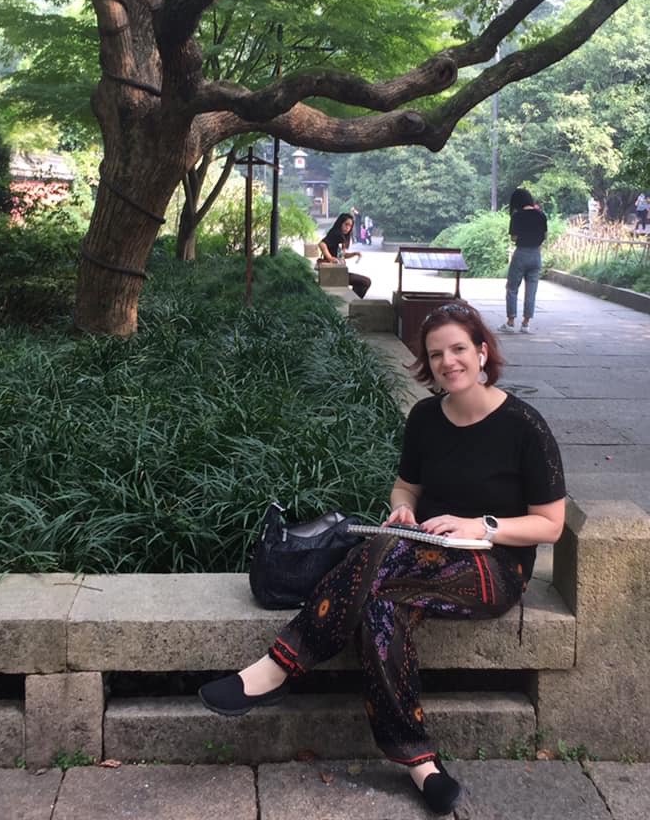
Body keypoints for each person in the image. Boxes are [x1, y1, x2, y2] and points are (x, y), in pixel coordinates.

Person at [199, 302, 566, 816]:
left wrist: (481, 526)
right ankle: (421, 763)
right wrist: (402, 510)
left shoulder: (524, 425)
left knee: (381, 555)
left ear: (482, 352)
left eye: (459, 349)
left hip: (492, 566)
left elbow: (549, 524)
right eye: (436, 354)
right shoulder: (425, 418)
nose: (448, 362)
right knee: (379, 607)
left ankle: (278, 666)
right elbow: (405, 487)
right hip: (419, 555)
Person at [499, 188, 547, 334]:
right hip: (536, 255)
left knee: (512, 288)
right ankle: (525, 324)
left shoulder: (517, 216)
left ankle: (510, 322)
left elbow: (513, 238)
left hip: (521, 254)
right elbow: (545, 235)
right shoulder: (541, 215)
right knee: (531, 290)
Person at [317, 213, 372, 298]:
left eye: (350, 226)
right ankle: (352, 301)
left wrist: (354, 254)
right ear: (340, 223)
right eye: (346, 224)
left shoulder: (342, 236)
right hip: (333, 273)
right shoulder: (336, 233)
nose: (348, 228)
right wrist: (330, 258)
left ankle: (351, 300)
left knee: (363, 282)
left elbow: (341, 255)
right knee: (365, 282)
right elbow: (322, 244)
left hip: (339, 271)